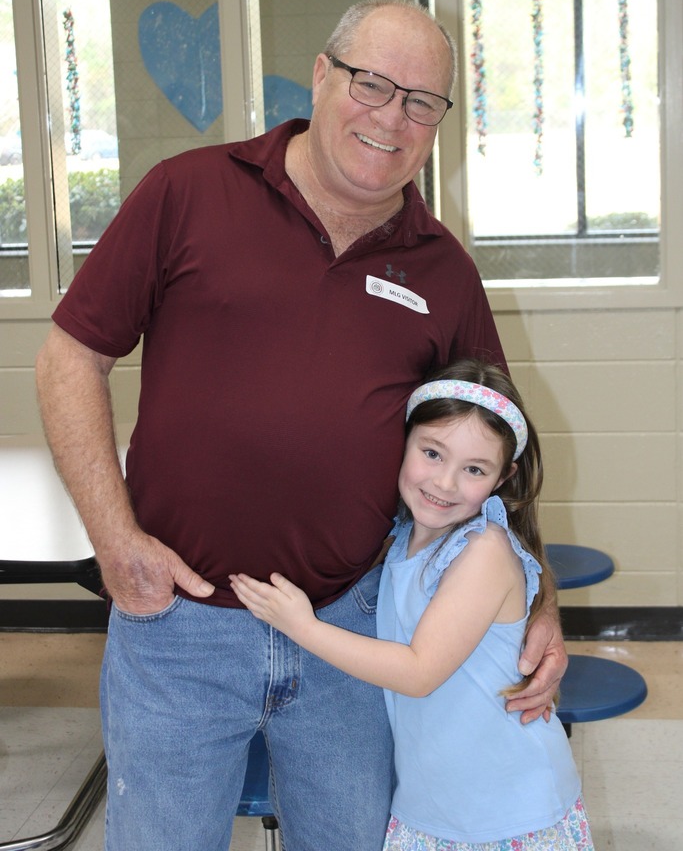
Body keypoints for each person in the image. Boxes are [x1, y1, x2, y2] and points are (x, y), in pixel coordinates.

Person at [35, 0, 567, 851]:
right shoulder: (189, 191)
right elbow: (70, 356)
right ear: (321, 76)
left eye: (420, 102)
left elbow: (496, 446)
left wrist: (539, 600)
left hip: (355, 627)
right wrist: (113, 537)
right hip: (179, 623)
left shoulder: (442, 268)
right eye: (372, 83)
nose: (391, 116)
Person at [231, 358, 594, 851]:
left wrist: (300, 625)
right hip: (434, 806)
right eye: (432, 453)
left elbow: (419, 672)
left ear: (503, 477)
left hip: (507, 810)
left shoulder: (482, 550)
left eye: (473, 469)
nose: (444, 484)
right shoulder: (402, 538)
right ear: (402, 442)